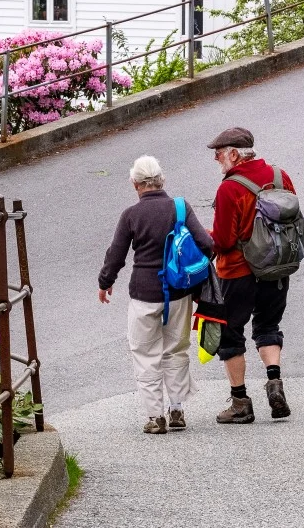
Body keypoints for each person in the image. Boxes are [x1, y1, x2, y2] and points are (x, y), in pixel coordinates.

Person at [98, 154, 214, 434]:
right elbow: (207, 245)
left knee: (145, 353)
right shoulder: (180, 208)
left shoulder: (131, 215)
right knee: (175, 349)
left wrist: (106, 281)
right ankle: (177, 410)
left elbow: (116, 254)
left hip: (143, 293)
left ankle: (155, 417)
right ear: (162, 180)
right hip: (178, 293)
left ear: (135, 184)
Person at [207, 126, 294, 424]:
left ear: (234, 154)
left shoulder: (230, 188)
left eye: (219, 155)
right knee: (268, 325)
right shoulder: (281, 177)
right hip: (276, 268)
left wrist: (203, 240)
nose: (217, 161)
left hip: (238, 273)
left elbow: (224, 240)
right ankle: (274, 382)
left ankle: (240, 402)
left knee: (230, 334)